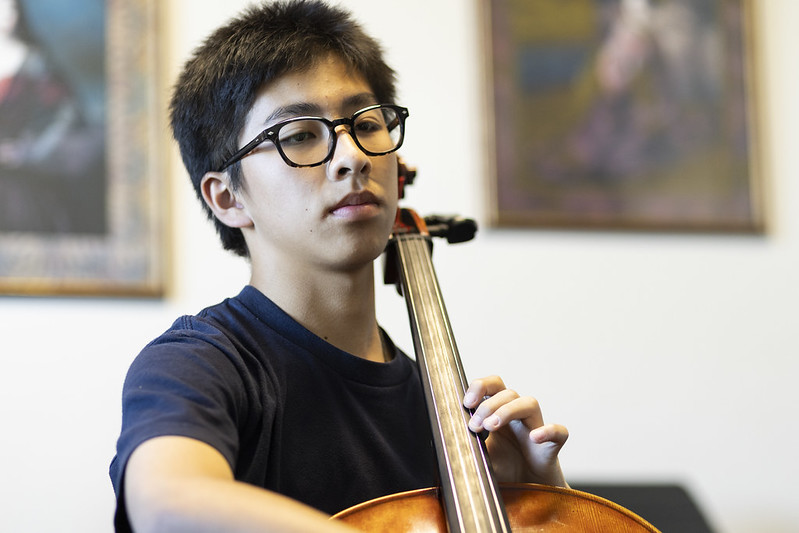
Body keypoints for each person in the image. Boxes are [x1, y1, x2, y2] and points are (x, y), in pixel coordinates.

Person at [109, 1, 569, 531]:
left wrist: (541, 508)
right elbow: (166, 503)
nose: (353, 156)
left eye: (367, 124)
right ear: (227, 198)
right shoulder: (201, 363)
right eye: (300, 135)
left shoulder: (449, 414)